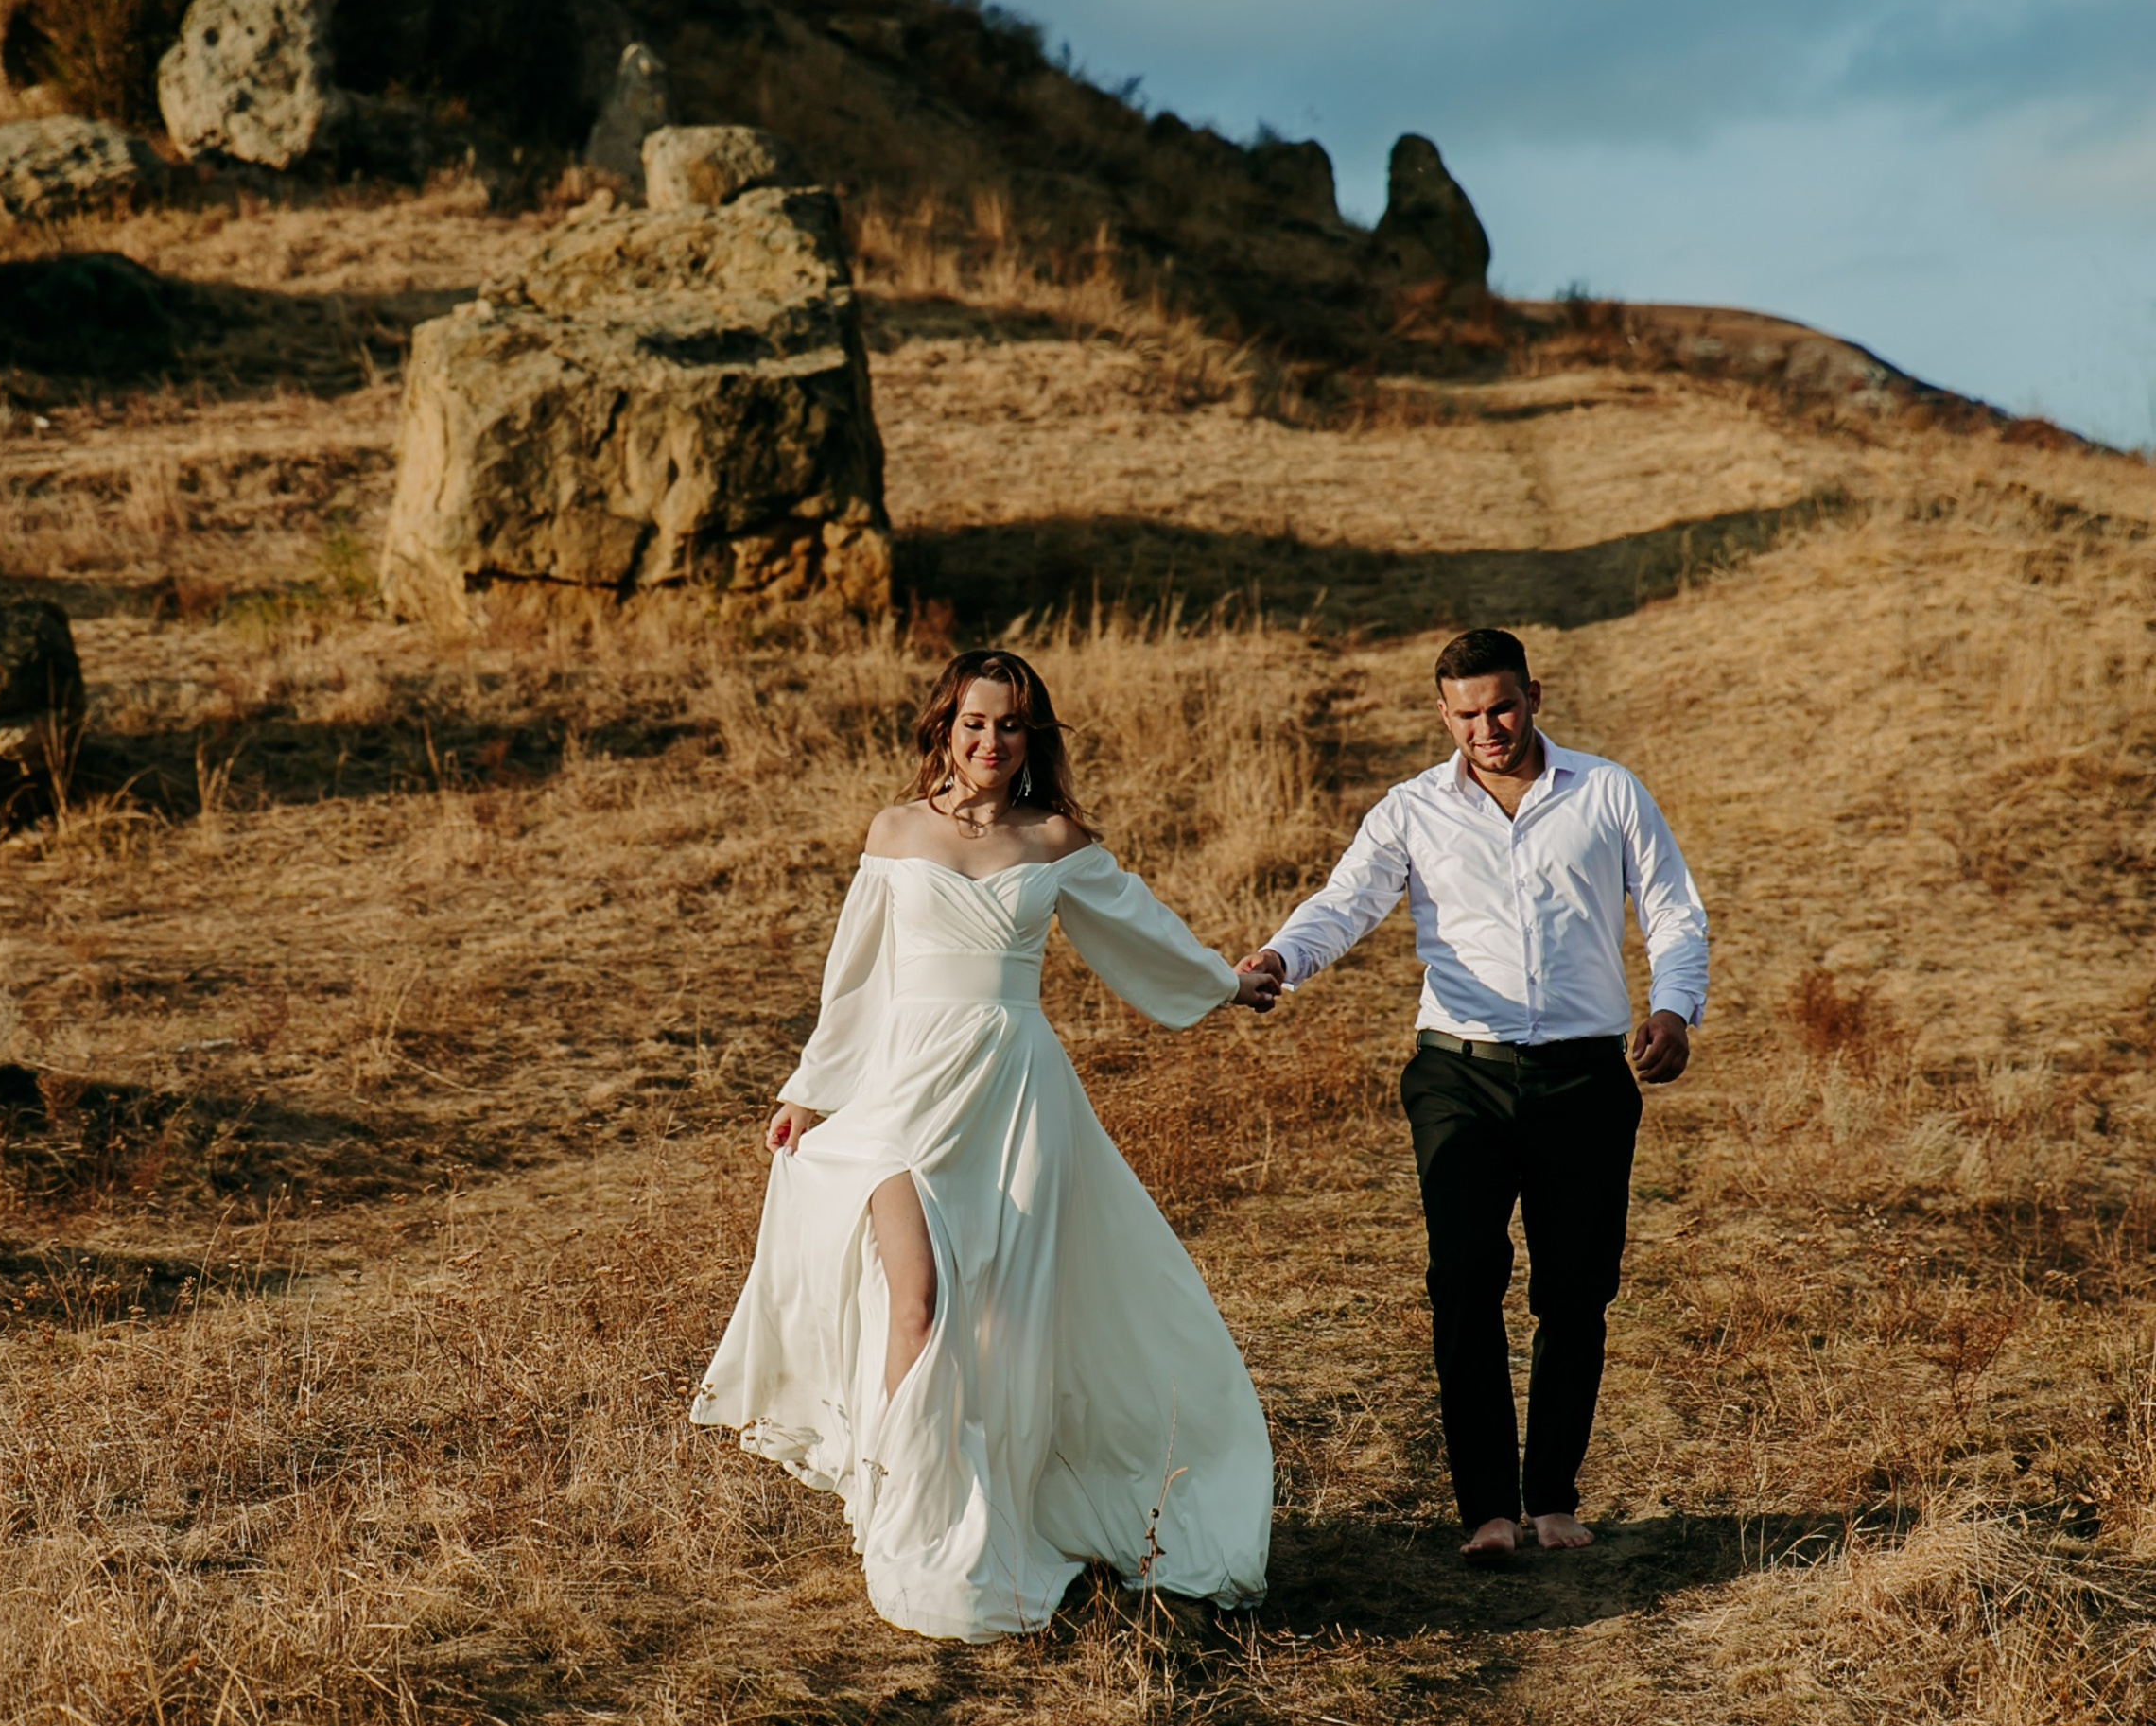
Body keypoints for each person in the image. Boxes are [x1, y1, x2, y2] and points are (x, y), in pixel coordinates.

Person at [693, 649, 1278, 1642]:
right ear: (944, 728)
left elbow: (1139, 933)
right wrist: (809, 1089)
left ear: (1029, 738)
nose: (990, 741)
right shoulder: (895, 832)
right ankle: (902, 1517)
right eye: (973, 723)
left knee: (1003, 1327)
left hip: (1014, 1095)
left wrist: (1222, 982)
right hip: (899, 1096)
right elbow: (858, 978)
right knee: (915, 1307)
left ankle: (993, 1512)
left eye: (1009, 726)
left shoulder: (1055, 840)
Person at [1236, 628, 1708, 1562]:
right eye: (1465, 714)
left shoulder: (1606, 793)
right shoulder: (1411, 811)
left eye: (1501, 707)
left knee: (1575, 1290)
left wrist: (1673, 1010)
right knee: (1463, 1279)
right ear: (1440, 713)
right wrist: (1280, 959)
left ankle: (1554, 1500)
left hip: (1582, 1075)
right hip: (1458, 1073)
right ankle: (1487, 1511)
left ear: (1533, 695)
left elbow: (1671, 908)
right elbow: (1345, 902)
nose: (1486, 728)